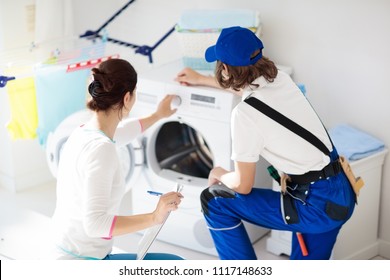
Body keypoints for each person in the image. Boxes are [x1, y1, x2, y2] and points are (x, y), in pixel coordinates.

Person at [175, 26, 356, 260]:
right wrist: (200, 80)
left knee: (214, 200)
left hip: (313, 205)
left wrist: (219, 172)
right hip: (340, 193)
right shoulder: (281, 78)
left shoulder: (244, 115)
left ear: (226, 68)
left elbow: (242, 185)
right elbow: (246, 89)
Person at [50, 58, 184, 260]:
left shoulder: (83, 133)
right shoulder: (103, 150)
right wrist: (155, 216)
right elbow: (95, 225)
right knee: (175, 265)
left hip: (64, 251)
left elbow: (123, 131)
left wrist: (158, 115)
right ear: (128, 97)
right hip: (82, 262)